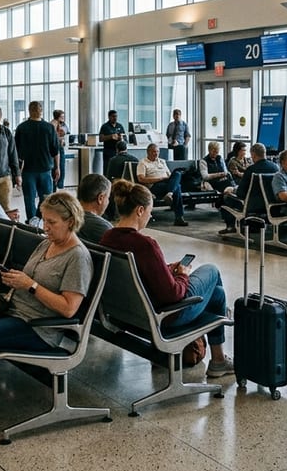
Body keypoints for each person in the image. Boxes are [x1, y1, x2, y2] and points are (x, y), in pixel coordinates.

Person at [0, 191, 93, 443]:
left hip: (38, 327)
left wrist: (31, 285)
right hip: (14, 311)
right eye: (44, 220)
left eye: (52, 222)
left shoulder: (77, 257)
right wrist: (16, 280)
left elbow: (69, 308)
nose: (45, 227)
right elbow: (30, 279)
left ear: (70, 221)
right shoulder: (46, 244)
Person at [101, 181, 233, 377]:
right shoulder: (145, 245)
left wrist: (165, 269)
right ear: (139, 211)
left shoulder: (108, 237)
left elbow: (142, 275)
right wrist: (182, 274)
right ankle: (219, 357)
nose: (150, 215)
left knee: (217, 293)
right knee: (212, 272)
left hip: (127, 315)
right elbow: (172, 294)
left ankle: (219, 358)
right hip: (164, 317)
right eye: (149, 211)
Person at [14, 101, 60, 224]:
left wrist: (17, 171)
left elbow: (16, 151)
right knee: (46, 198)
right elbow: (55, 150)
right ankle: (38, 219)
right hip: (43, 168)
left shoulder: (22, 127)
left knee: (30, 198)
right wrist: (57, 167)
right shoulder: (49, 128)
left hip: (30, 169)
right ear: (42, 111)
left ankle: (32, 220)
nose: (36, 110)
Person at [220, 142, 278, 234]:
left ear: (253, 155)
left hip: (253, 205)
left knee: (227, 197)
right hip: (273, 204)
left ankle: (231, 227)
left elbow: (241, 193)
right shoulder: (275, 168)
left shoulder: (251, 170)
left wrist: (232, 190)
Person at [137, 143, 187, 227]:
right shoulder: (142, 163)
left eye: (157, 151)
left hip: (166, 183)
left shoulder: (162, 161)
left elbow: (169, 175)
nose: (156, 153)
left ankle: (170, 193)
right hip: (154, 186)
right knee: (177, 187)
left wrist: (167, 179)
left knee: (177, 174)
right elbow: (141, 179)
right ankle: (179, 217)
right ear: (148, 152)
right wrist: (159, 179)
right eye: (153, 152)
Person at [76, 173, 112, 243]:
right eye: (108, 197)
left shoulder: (66, 218)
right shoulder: (105, 229)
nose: (108, 202)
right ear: (100, 198)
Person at [52, 109, 68, 189]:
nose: (63, 118)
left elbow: (65, 132)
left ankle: (58, 186)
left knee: (61, 168)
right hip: (56, 148)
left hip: (60, 147)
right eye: (62, 116)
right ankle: (56, 186)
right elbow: (54, 137)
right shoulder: (53, 124)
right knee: (58, 168)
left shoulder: (62, 124)